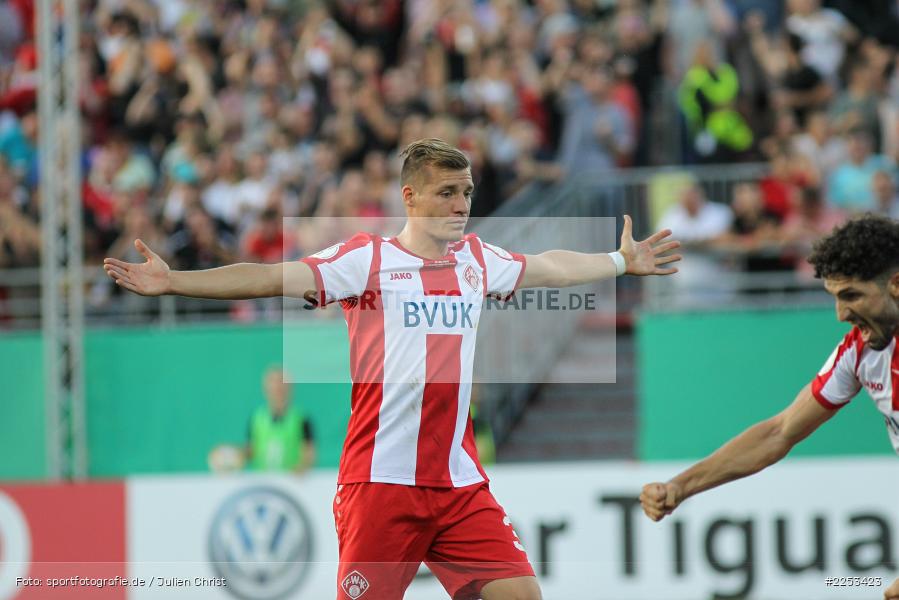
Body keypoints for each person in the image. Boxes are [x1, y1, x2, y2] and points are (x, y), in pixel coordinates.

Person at [104, 138, 681, 600]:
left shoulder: (477, 260)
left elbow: (549, 266)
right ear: (411, 197)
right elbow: (267, 275)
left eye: (468, 192)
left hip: (458, 483)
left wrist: (619, 260)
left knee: (520, 596)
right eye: (447, 193)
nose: (461, 205)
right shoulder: (367, 260)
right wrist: (175, 280)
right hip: (379, 485)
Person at [639, 214, 899, 600]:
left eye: (852, 296)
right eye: (835, 297)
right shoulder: (859, 352)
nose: (841, 314)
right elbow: (779, 432)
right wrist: (682, 486)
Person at [246, 366, 316, 474]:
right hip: (264, 482)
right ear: (266, 389)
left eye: (281, 386)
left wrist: (301, 467)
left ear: (290, 389)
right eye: (274, 386)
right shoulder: (256, 418)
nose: (277, 390)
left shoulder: (302, 418)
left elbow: (309, 454)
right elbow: (250, 451)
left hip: (292, 484)